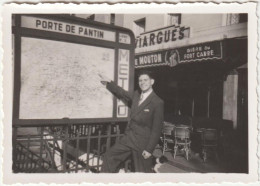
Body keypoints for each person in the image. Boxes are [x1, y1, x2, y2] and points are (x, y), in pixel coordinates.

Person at [99, 70, 164, 173]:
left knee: (141, 172)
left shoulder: (157, 102)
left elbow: (157, 129)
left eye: (145, 80)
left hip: (143, 144)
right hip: (128, 139)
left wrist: (149, 149)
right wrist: (108, 83)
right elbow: (122, 93)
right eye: (140, 80)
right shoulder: (136, 95)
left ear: (152, 82)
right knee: (109, 157)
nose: (142, 83)